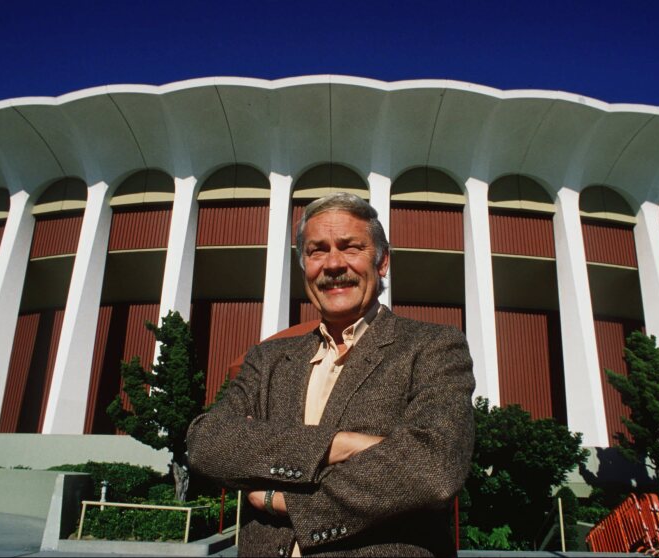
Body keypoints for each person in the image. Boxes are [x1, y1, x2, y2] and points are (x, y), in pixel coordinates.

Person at [187, 193, 475, 557]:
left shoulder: (432, 347)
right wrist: (344, 445)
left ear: (382, 261)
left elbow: (433, 468)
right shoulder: (268, 359)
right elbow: (206, 443)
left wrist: (283, 500)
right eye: (317, 251)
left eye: (351, 248)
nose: (334, 264)